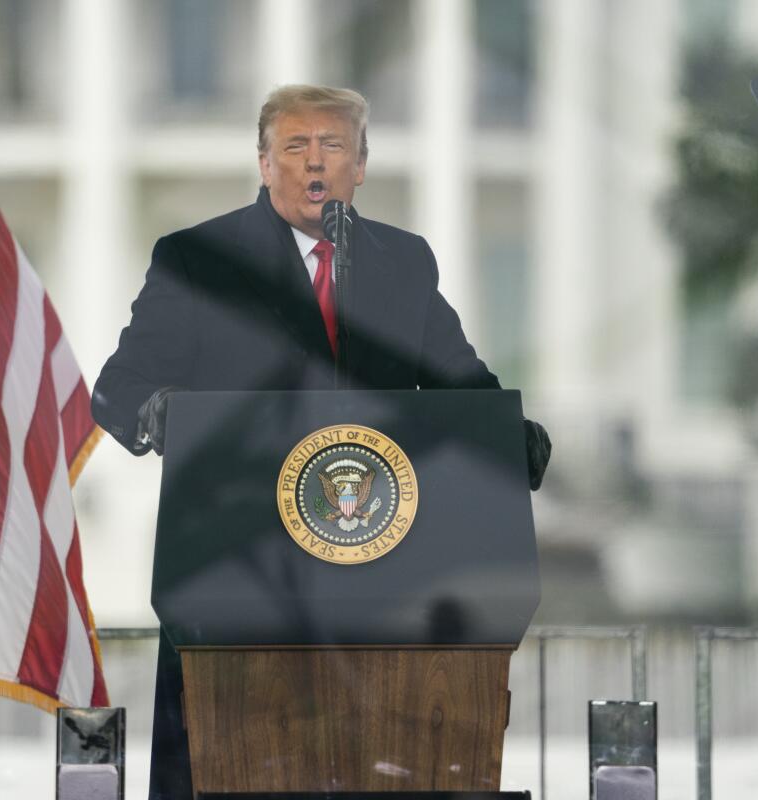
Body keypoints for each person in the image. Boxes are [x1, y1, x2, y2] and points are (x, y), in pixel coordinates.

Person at [91, 84, 550, 800]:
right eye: (295, 146)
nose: (315, 163)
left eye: (332, 146)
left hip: (384, 581)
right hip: (236, 579)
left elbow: (457, 376)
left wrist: (502, 434)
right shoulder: (197, 259)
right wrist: (159, 410)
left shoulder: (403, 262)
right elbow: (118, 386)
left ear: (360, 165)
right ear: (264, 163)